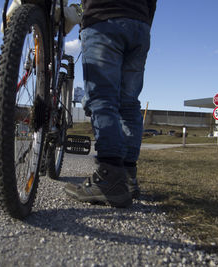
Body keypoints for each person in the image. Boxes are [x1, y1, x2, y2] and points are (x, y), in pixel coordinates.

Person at [64, 0, 157, 208]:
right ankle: (127, 178)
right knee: (129, 103)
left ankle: (110, 177)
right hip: (139, 25)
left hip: (103, 18)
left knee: (103, 98)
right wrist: (141, 21)